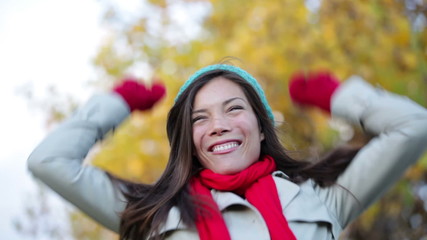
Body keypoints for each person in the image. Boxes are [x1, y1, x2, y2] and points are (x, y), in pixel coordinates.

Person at [27, 63, 427, 240]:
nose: (218, 124)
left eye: (234, 108)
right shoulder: (153, 215)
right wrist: (117, 103)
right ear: (189, 140)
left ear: (260, 126)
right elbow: (48, 161)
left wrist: (341, 96)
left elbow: (414, 127)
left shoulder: (322, 200)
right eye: (199, 118)